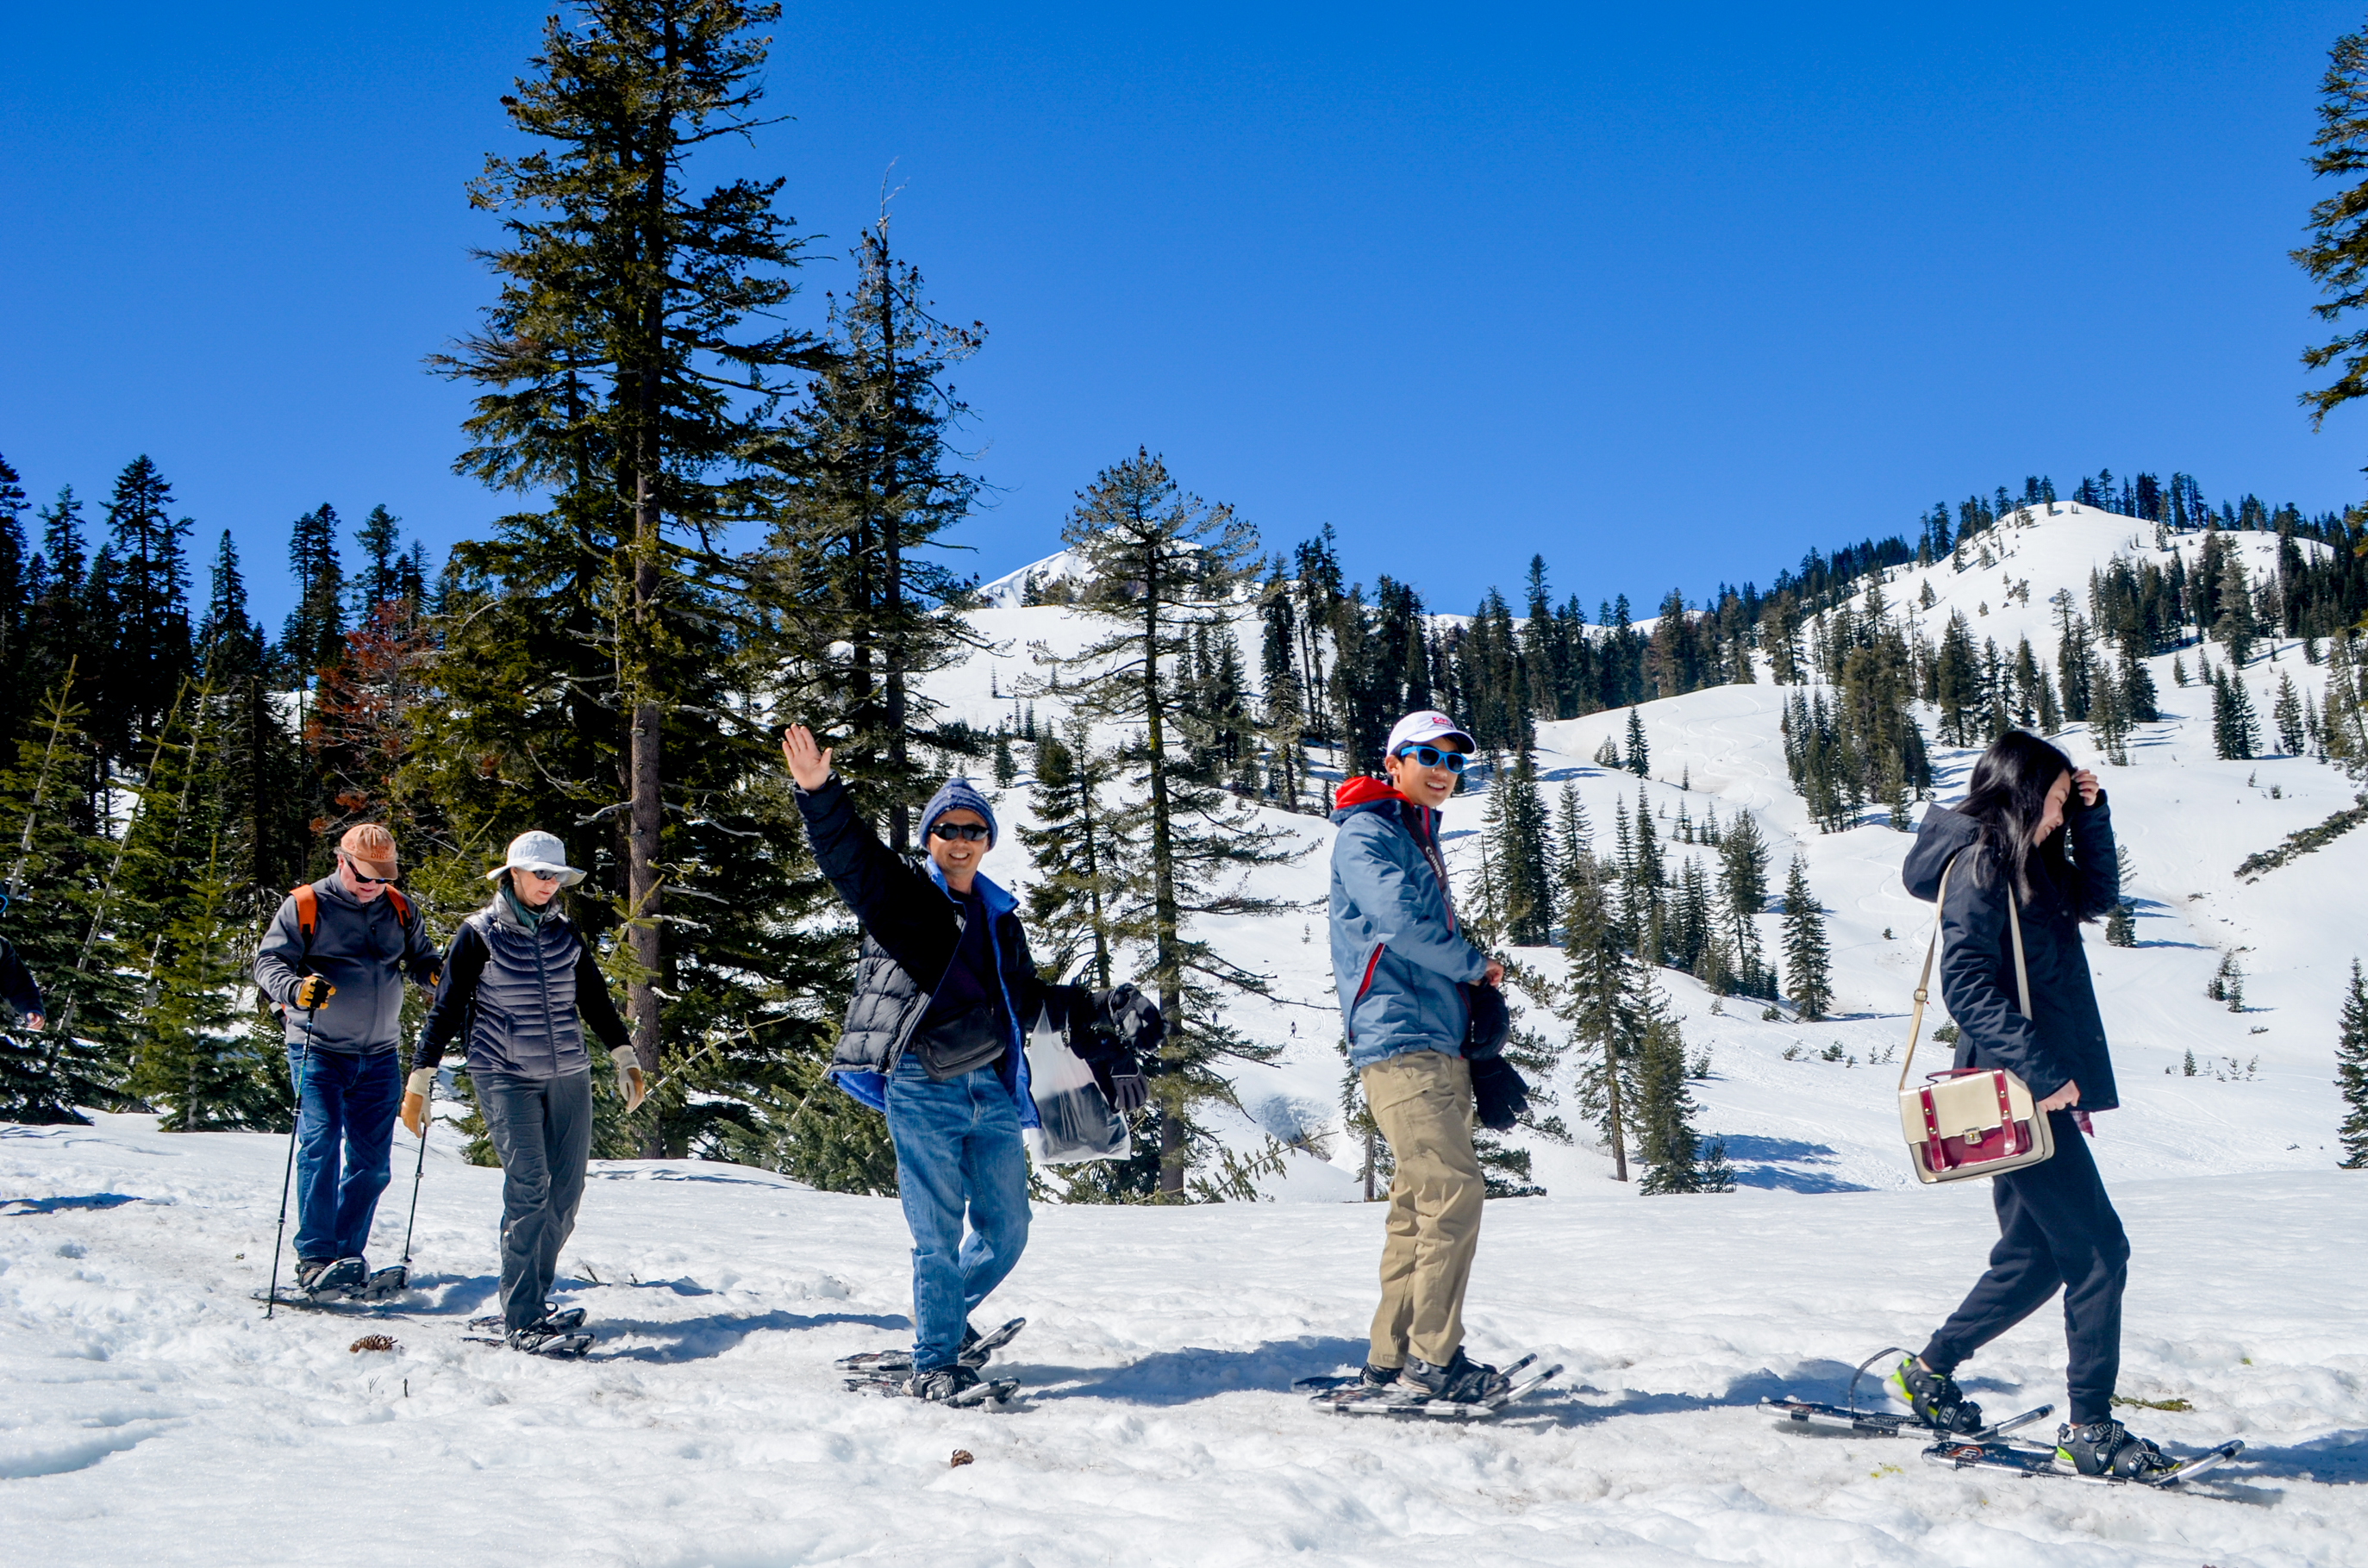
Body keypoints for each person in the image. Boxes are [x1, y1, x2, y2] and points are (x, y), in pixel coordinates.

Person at [783, 724, 1158, 1402]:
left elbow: (1028, 997)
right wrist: (818, 792)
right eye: (946, 828)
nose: (960, 840)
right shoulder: (903, 900)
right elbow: (851, 858)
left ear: (986, 840)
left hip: (987, 1086)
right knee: (934, 1232)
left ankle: (944, 1320)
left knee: (1008, 1229)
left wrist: (1106, 1005)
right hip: (923, 1082)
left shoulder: (997, 918)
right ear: (929, 838)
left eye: (973, 829)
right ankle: (936, 1359)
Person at [1893, 729, 2172, 1478]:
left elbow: (2097, 896)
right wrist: (2045, 1073)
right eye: (2050, 801)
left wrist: (2089, 816)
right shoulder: (1980, 865)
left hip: (2025, 1087)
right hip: (2017, 1089)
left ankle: (1928, 1369)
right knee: (2097, 1251)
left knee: (2032, 1259)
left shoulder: (2024, 862)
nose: (2054, 815)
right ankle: (2090, 1429)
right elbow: (1968, 987)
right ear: (2020, 793)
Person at [1328, 709, 1525, 1403]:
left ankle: (1390, 1356)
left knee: (1417, 1204)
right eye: (1427, 756)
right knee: (1452, 1194)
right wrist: (1474, 966)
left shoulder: (1410, 834)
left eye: (1453, 762)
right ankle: (1433, 1360)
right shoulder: (1368, 834)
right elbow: (1399, 923)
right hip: (1402, 1043)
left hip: (1428, 1044)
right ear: (1393, 762)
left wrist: (1477, 1041)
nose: (1442, 771)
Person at [412, 830, 645, 1354]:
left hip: (568, 1073)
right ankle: (520, 1317)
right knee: (529, 1189)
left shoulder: (565, 933)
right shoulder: (479, 934)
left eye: (556, 876)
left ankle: (535, 1299)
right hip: (503, 1073)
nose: (549, 884)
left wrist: (623, 1056)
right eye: (540, 874)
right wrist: (421, 1075)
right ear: (512, 874)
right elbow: (446, 1007)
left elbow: (593, 998)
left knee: (565, 1194)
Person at [253, 823, 441, 1297]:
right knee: (320, 1145)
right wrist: (296, 990)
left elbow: (420, 959)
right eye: (366, 878)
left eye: (383, 879)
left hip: (379, 1054)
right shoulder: (305, 905)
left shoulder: (399, 908)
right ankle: (314, 1256)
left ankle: (346, 1255)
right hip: (317, 1049)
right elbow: (268, 963)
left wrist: (434, 973)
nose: (374, 887)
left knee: (373, 1163)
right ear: (343, 862)